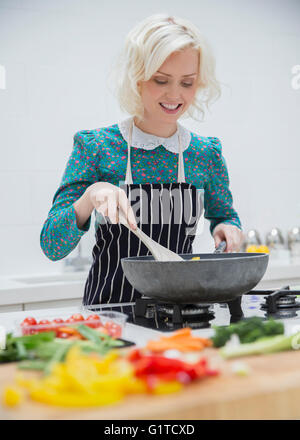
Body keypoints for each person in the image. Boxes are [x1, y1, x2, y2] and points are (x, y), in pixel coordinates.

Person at [40, 13, 243, 305]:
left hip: (182, 312)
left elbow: (224, 215)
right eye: (161, 80)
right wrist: (89, 197)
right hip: (111, 313)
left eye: (187, 83)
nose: (175, 94)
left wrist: (227, 228)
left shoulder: (204, 153)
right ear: (136, 78)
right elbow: (51, 245)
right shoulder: (97, 146)